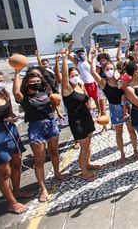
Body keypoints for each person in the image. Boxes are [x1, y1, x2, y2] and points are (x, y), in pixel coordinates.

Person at [13, 70, 67, 202]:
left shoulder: (45, 92)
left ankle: (57, 173)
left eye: (38, 81)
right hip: (36, 127)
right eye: (32, 82)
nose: (36, 83)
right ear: (26, 84)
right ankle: (43, 188)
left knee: (54, 153)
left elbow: (51, 107)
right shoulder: (25, 97)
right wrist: (16, 73)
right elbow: (16, 93)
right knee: (39, 160)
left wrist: (56, 107)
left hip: (51, 123)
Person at [0, 71, 30, 214]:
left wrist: (12, 117)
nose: (1, 83)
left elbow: (9, 113)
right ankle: (11, 202)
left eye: (2, 80)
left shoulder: (4, 94)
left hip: (10, 131)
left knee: (17, 163)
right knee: (4, 172)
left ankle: (17, 191)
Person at [89, 48, 138, 164]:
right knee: (119, 133)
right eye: (107, 69)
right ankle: (122, 154)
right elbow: (93, 72)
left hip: (126, 107)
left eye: (111, 68)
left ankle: (135, 150)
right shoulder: (103, 82)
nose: (110, 71)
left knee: (131, 130)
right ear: (103, 70)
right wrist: (92, 57)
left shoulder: (120, 80)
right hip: (114, 109)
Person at [60, 49, 101, 182]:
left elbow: (87, 102)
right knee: (83, 147)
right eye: (72, 75)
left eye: (77, 74)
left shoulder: (80, 86)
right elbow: (64, 76)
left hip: (86, 118)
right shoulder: (67, 89)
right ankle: (84, 172)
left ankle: (88, 163)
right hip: (76, 121)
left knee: (88, 144)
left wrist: (93, 115)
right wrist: (65, 58)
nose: (75, 77)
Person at [67, 40, 103, 118]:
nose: (81, 55)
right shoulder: (77, 62)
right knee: (86, 100)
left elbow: (92, 53)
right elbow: (68, 54)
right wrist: (70, 45)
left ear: (85, 54)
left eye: (82, 54)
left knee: (96, 99)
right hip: (83, 84)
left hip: (92, 83)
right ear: (77, 56)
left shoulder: (88, 60)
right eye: (79, 55)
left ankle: (99, 112)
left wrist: (95, 47)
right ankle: (90, 113)